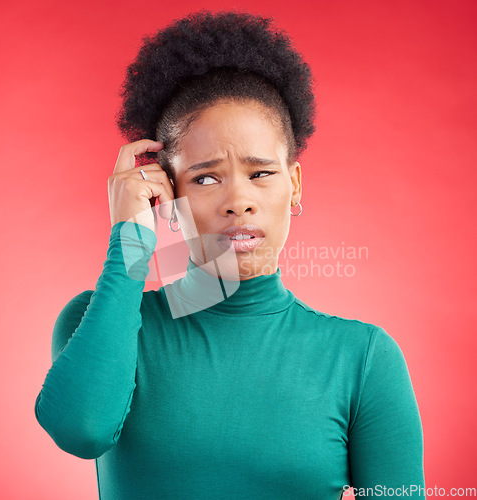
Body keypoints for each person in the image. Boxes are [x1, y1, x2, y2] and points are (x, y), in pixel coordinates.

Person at [35, 10, 425, 499]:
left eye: (261, 173)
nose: (238, 200)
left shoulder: (363, 358)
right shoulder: (101, 324)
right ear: (164, 193)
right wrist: (129, 241)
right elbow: (81, 430)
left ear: (295, 185)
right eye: (205, 177)